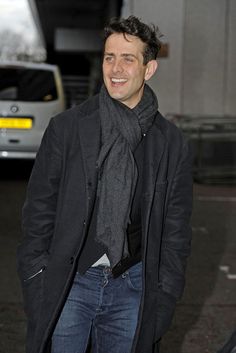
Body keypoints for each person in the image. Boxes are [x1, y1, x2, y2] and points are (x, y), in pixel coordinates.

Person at [17, 15, 193, 353]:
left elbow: (176, 232)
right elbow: (38, 210)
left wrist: (165, 296)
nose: (116, 68)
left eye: (128, 59)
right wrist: (37, 277)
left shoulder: (171, 144)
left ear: (149, 68)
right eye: (109, 57)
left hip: (133, 288)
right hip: (70, 285)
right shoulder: (66, 129)